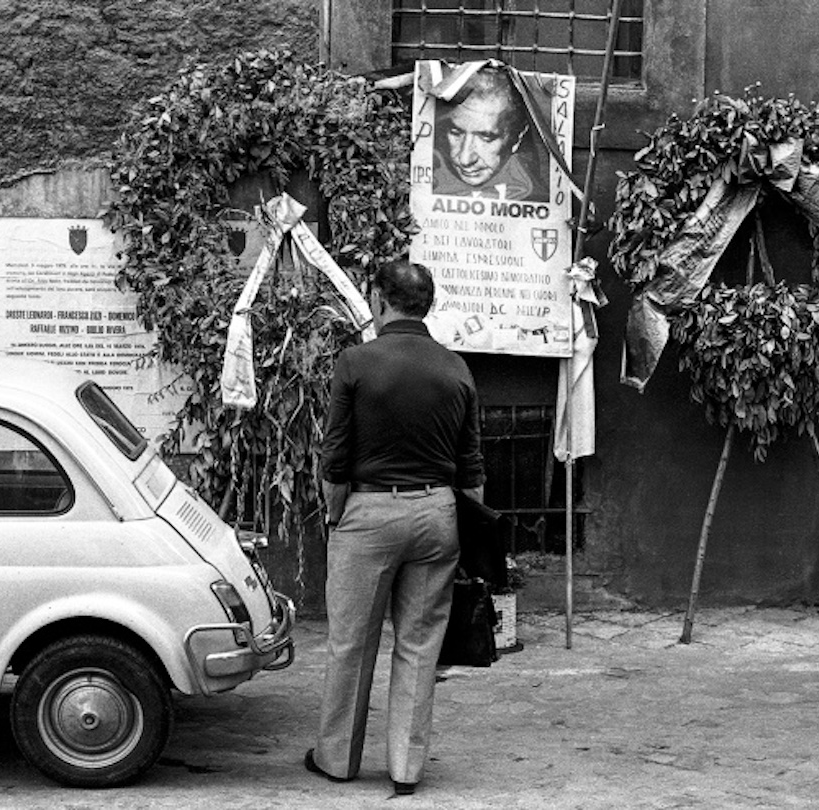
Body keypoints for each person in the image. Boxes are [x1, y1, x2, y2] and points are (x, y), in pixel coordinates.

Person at [305, 259, 485, 797]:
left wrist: (337, 514)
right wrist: (470, 532)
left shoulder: (356, 362)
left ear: (380, 300)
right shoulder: (456, 369)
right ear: (426, 305)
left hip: (370, 514)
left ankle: (337, 760)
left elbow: (335, 457)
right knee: (419, 643)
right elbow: (471, 467)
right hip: (437, 515)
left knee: (351, 643)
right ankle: (406, 769)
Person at [432, 67, 549, 201]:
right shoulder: (429, 179)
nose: (465, 159)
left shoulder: (534, 191)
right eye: (455, 133)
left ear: (517, 138)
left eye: (485, 138)